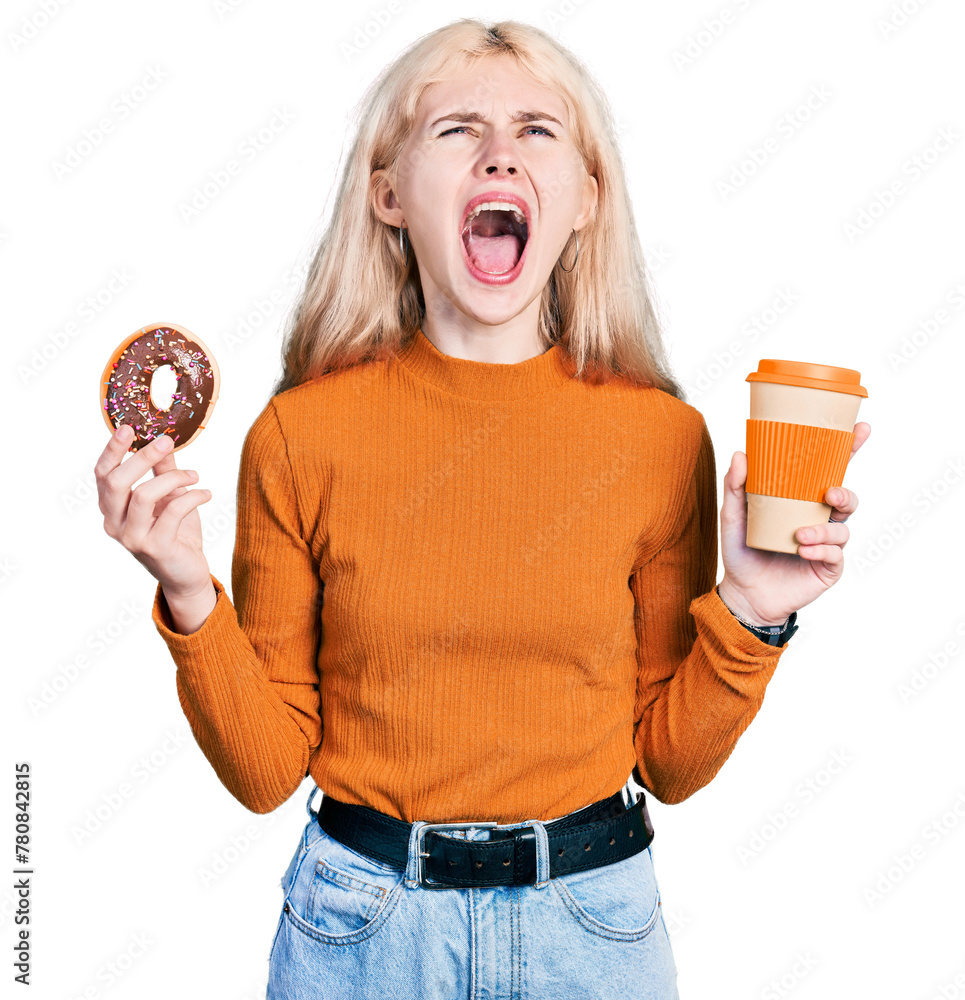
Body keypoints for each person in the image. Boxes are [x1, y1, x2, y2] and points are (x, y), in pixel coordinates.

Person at [94, 17, 870, 999]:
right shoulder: (299, 438)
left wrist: (756, 605)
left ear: (585, 201)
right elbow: (263, 772)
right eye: (456, 129)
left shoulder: (660, 439)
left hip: (592, 929)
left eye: (539, 131)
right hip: (360, 930)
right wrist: (188, 592)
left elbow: (669, 765)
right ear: (388, 195)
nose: (501, 150)